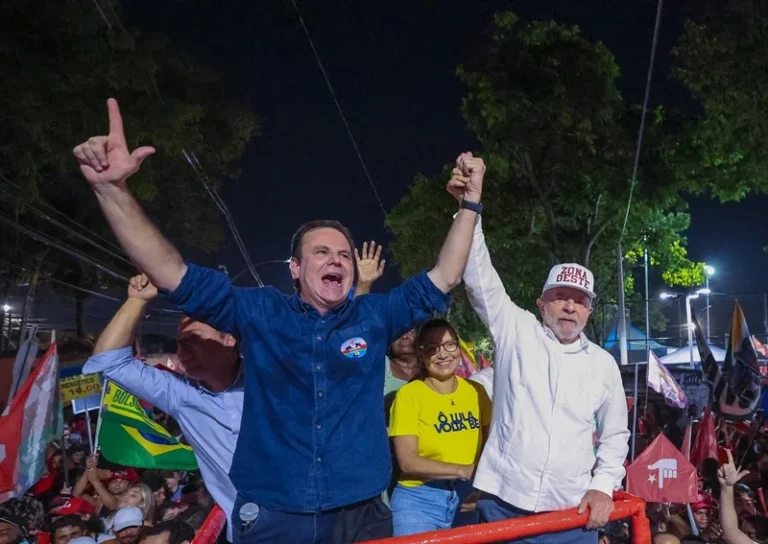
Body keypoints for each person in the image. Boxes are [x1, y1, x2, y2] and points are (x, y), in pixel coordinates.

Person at [74, 99, 485, 543]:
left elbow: (445, 276)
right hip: (275, 517)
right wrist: (111, 191)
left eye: (344, 254)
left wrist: (470, 203)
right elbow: (172, 273)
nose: (336, 259)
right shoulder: (260, 311)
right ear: (294, 268)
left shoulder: (375, 314)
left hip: (361, 512)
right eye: (321, 252)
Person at [449, 172, 630, 542]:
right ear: (541, 303)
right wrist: (469, 209)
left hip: (572, 512)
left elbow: (615, 434)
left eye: (579, 301)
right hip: (504, 503)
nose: (569, 306)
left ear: (589, 312)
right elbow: (479, 275)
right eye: (560, 296)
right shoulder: (518, 330)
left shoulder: (602, 364)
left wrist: (604, 486)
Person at [82, 275, 242, 541]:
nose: (182, 346)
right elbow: (107, 362)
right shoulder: (179, 393)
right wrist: (137, 301)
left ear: (228, 340)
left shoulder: (273, 381)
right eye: (179, 340)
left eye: (194, 336)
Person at [388, 319, 491, 536]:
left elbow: (491, 446)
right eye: (432, 348)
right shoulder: (409, 395)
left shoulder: (477, 392)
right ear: (421, 354)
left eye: (449, 345)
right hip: (420, 501)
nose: (443, 354)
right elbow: (408, 461)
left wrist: (482, 487)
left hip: (468, 497)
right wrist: (464, 470)